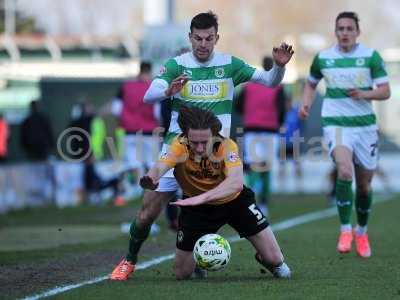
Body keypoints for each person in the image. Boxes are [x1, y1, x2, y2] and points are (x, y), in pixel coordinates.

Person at [110, 11, 293, 280]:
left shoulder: (230, 65)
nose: (203, 44)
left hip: (216, 156)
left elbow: (269, 81)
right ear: (190, 37)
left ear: (216, 38)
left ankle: (254, 252)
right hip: (178, 152)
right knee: (147, 212)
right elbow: (149, 95)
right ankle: (129, 259)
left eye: (208, 38)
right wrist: (169, 91)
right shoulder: (176, 65)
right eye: (198, 38)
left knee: (229, 200)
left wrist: (279, 67)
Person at [134, 106, 291, 279]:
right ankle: (199, 264)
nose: (200, 148)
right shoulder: (178, 146)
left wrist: (202, 197)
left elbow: (236, 183)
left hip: (235, 202)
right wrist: (151, 178)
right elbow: (160, 167)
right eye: (195, 143)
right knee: (182, 273)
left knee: (276, 260)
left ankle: (265, 257)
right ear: (186, 136)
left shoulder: (227, 146)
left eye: (205, 142)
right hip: (197, 208)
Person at [299, 11, 390, 258]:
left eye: (350, 28)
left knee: (364, 186)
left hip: (365, 127)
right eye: (341, 28)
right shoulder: (324, 58)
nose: (345, 33)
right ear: (335, 31)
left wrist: (364, 94)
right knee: (344, 170)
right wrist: (306, 103)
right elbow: (310, 82)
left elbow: (385, 91)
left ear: (357, 32)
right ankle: (345, 229)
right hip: (336, 124)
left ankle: (361, 231)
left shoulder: (370, 57)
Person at [235, 56, 288, 215]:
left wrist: (250, 114)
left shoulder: (249, 86)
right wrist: (276, 122)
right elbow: (282, 110)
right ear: (272, 66)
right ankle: (264, 203)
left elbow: (237, 106)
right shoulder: (277, 87)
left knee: (252, 167)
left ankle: (250, 202)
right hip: (270, 131)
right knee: (266, 167)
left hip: (251, 129)